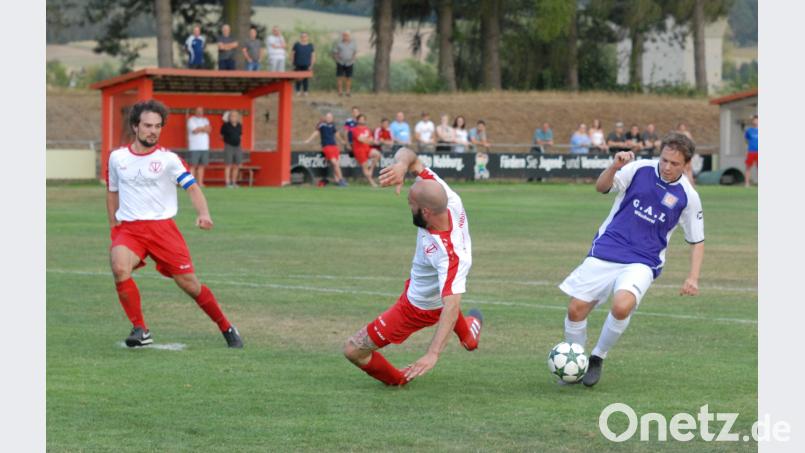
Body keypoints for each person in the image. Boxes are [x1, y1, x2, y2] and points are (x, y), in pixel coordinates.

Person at [558, 133, 704, 387]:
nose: (667, 167)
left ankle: (597, 357)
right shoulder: (638, 169)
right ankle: (576, 362)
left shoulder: (688, 197)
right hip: (608, 249)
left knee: (622, 305)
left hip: (643, 260)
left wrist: (693, 277)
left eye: (674, 164)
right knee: (576, 309)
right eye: (664, 160)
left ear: (686, 165)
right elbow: (601, 187)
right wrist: (615, 166)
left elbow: (697, 240)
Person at [342, 147, 484, 386]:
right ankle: (470, 335)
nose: (408, 207)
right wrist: (400, 166)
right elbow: (410, 155)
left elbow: (452, 305)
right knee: (466, 338)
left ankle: (398, 379)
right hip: (434, 291)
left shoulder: (449, 255)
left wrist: (433, 354)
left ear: (426, 212)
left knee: (353, 350)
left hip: (417, 308)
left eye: (411, 205)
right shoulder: (447, 197)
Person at [107, 99, 243, 349]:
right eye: (148, 126)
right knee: (119, 268)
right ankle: (140, 329)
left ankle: (225, 325)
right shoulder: (117, 158)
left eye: (158, 126)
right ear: (135, 126)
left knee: (190, 285)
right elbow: (112, 191)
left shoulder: (169, 159)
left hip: (162, 230)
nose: (153, 131)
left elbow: (192, 188)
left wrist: (204, 213)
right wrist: (113, 228)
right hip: (130, 229)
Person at [304, 112, 347, 187]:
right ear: (325, 118)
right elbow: (316, 133)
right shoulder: (321, 124)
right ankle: (341, 180)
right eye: (327, 117)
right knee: (335, 164)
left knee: (336, 165)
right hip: (327, 147)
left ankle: (338, 180)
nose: (329, 118)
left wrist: (342, 141)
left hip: (334, 146)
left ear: (332, 118)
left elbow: (337, 134)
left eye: (330, 117)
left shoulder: (332, 125)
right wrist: (308, 140)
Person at [351, 114, 383, 187]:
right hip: (359, 150)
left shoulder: (367, 129)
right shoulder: (355, 129)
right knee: (365, 166)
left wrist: (368, 141)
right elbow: (360, 140)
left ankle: (371, 170)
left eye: (363, 119)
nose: (362, 120)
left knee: (377, 154)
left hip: (367, 148)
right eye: (360, 119)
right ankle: (371, 182)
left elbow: (370, 139)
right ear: (357, 120)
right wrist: (369, 141)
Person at [186, 107, 211, 187]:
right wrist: (204, 128)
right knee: (193, 165)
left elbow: (209, 130)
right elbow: (194, 130)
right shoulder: (191, 120)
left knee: (201, 166)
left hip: (205, 147)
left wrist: (200, 129)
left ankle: (200, 183)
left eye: (201, 111)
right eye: (198, 111)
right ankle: (191, 183)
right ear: (195, 112)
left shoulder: (205, 120)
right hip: (194, 147)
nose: (200, 113)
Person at [221, 110, 244, 188]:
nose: (233, 117)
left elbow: (240, 135)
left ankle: (234, 182)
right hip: (229, 146)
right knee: (228, 165)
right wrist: (227, 142)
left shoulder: (239, 125)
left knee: (236, 165)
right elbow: (221, 136)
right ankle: (227, 182)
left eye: (235, 116)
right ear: (229, 117)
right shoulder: (225, 125)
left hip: (237, 147)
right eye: (232, 116)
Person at [332, 31, 357, 97]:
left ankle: (348, 92)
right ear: (342, 36)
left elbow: (354, 52)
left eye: (347, 35)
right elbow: (335, 52)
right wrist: (337, 59)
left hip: (350, 63)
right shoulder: (338, 43)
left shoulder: (353, 44)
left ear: (349, 36)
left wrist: (353, 59)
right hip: (340, 62)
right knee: (339, 77)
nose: (345, 36)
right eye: (344, 35)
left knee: (348, 78)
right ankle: (340, 92)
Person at [744, 115, 758, 187]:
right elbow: (746, 140)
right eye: (754, 120)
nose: (756, 121)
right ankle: (747, 183)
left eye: (757, 120)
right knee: (748, 167)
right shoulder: (749, 130)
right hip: (751, 151)